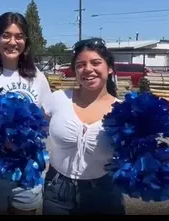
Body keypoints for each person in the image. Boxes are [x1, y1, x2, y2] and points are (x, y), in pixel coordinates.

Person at [0, 12, 52, 215]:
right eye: (6, 35)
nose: (12, 42)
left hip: (27, 170)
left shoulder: (38, 78)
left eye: (19, 36)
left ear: (26, 41)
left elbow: (46, 119)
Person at [42, 38, 126, 215]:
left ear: (109, 68)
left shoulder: (123, 110)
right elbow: (31, 130)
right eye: (80, 64)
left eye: (96, 62)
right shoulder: (58, 99)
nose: (88, 69)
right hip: (57, 190)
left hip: (104, 193)